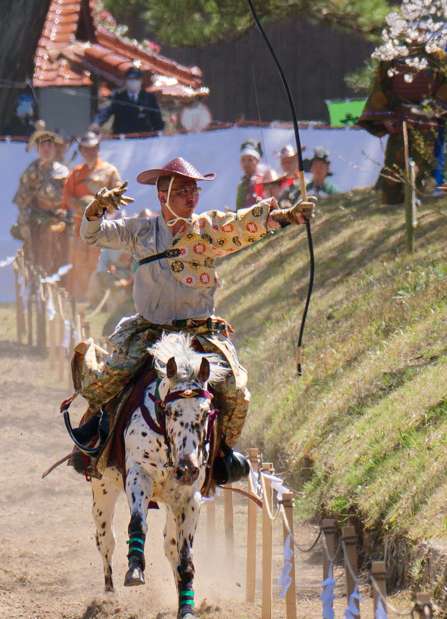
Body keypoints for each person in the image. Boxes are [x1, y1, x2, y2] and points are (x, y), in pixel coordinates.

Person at [73, 157, 313, 466]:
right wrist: (96, 209)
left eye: (194, 191)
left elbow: (241, 225)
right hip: (151, 331)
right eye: (183, 191)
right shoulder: (140, 231)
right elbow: (92, 234)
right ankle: (94, 440)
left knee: (236, 392)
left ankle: (222, 456)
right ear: (163, 197)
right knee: (109, 380)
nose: (192, 197)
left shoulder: (207, 229)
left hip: (199, 331)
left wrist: (286, 215)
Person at [359, 41, 447, 204]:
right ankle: (394, 201)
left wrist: (436, 111)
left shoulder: (439, 57)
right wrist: (385, 117)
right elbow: (380, 88)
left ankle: (421, 198)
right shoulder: (391, 56)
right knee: (395, 166)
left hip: (430, 121)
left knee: (425, 164)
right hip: (398, 120)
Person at [61, 134, 124, 301]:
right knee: (79, 262)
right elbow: (65, 198)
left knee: (99, 262)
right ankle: (79, 298)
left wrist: (101, 204)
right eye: (86, 149)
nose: (89, 152)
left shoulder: (110, 171)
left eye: (93, 149)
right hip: (80, 226)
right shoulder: (75, 174)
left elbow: (118, 196)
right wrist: (80, 203)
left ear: (98, 149)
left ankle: (98, 298)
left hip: (102, 226)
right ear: (81, 151)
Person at [12, 130, 71, 279]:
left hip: (59, 219)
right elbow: (22, 201)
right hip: (37, 218)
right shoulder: (30, 172)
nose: (46, 149)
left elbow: (71, 198)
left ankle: (61, 281)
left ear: (54, 148)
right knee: (34, 250)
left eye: (49, 145)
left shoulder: (63, 172)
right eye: (43, 146)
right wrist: (24, 223)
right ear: (37, 150)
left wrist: (68, 218)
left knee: (66, 250)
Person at [94, 65, 164, 136]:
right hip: (122, 140)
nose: (133, 81)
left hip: (144, 140)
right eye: (130, 79)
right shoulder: (117, 96)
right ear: (126, 80)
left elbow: (157, 120)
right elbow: (105, 111)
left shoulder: (149, 98)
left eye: (136, 79)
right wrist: (96, 123)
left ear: (141, 81)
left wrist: (159, 135)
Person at [234, 141, 277, 207]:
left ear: (257, 160)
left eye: (250, 160)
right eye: (243, 160)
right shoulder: (243, 183)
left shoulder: (264, 179)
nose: (246, 163)